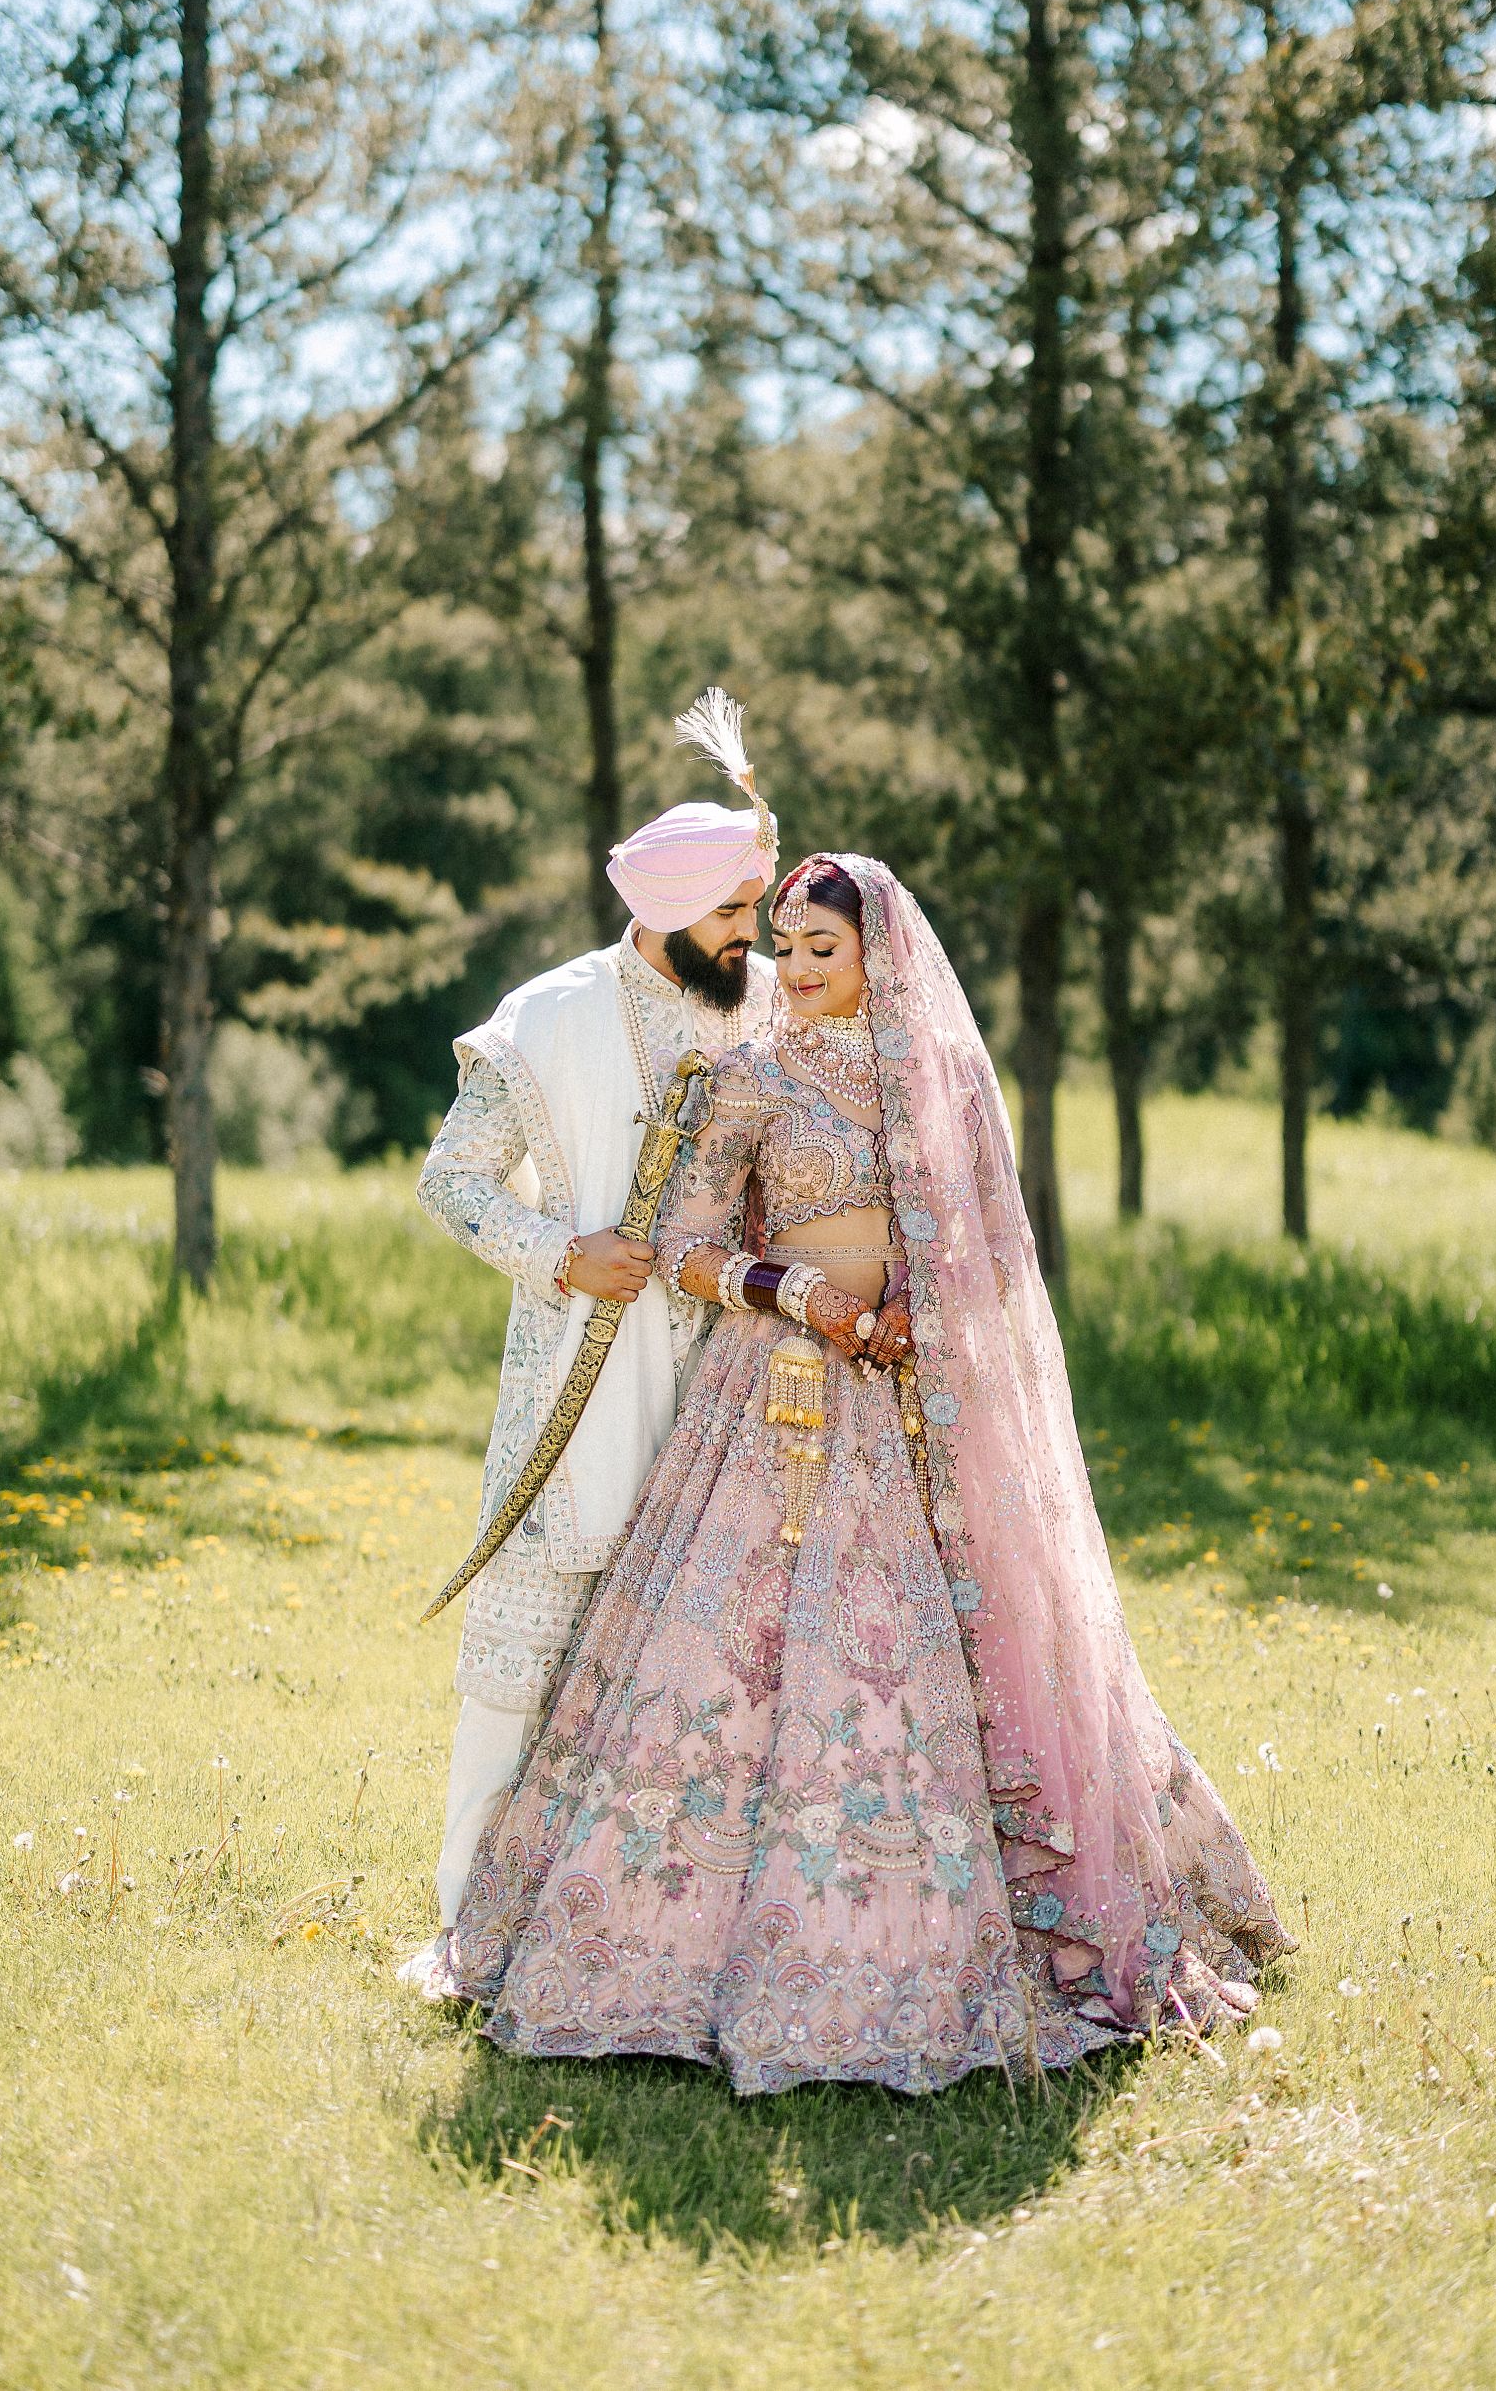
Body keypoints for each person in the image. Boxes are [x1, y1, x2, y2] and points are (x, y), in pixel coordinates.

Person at [435, 853, 1296, 2091]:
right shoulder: (746, 1072)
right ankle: (675, 1950)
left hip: (908, 1400)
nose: (792, 969)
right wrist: (798, 1295)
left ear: (877, 952)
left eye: (818, 950)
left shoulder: (934, 1077)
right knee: (732, 1656)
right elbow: (682, 1243)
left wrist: (917, 1326)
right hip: (770, 1390)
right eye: (782, 947)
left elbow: (992, 1253)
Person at [397, 694, 780, 1987]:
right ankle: (473, 1928)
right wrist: (564, 1250)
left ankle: (660, 1939)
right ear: (668, 902)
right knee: (521, 1676)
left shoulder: (776, 1006)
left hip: (733, 1388)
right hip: (574, 1377)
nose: (754, 935)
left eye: (760, 910)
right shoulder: (546, 1015)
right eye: (734, 912)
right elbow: (451, 1182)